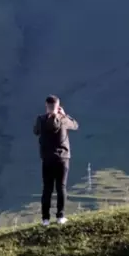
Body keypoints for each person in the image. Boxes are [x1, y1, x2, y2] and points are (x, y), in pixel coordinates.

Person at [33, 94, 79, 226]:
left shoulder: (40, 119)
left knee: (47, 188)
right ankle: (60, 216)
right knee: (61, 187)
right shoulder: (63, 120)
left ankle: (45, 219)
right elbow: (75, 125)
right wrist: (64, 115)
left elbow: (35, 131)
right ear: (58, 106)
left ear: (46, 106)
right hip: (62, 158)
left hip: (47, 158)